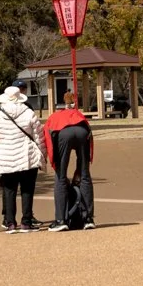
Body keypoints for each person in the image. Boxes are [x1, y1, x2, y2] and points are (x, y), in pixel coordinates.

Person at [0, 85, 45, 232]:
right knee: (27, 190)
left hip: (5, 156)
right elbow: (38, 136)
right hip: (26, 155)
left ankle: (10, 223)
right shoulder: (29, 113)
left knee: (9, 190)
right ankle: (26, 222)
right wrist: (43, 156)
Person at [44, 90, 95, 230]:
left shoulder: (55, 115)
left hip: (63, 133)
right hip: (82, 131)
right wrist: (80, 168)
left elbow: (48, 137)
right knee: (85, 175)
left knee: (61, 177)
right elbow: (88, 131)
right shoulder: (79, 114)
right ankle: (88, 218)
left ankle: (61, 220)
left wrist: (53, 162)